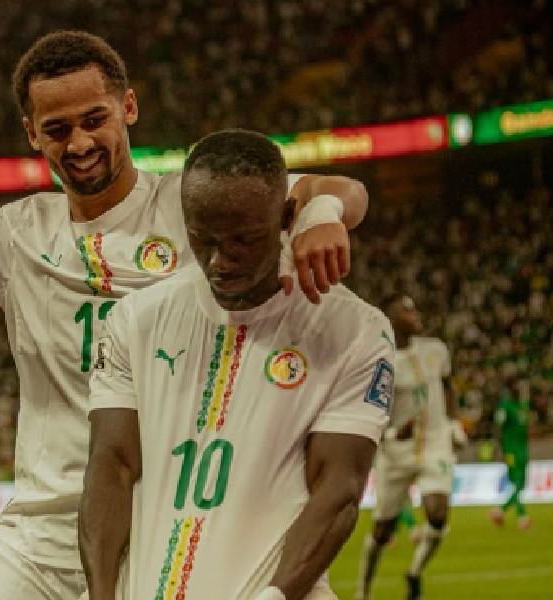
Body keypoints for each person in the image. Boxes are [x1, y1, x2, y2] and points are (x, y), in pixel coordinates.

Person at [0, 31, 370, 600]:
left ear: (129, 107)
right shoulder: (12, 233)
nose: (79, 143)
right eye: (57, 129)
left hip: (178, 523)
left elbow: (342, 188)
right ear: (31, 133)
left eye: (95, 120)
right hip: (44, 539)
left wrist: (320, 212)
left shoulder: (197, 204)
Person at [79, 129, 393, 600]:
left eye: (244, 239)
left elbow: (338, 490)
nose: (220, 261)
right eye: (202, 239)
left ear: (286, 216)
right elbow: (112, 465)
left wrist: (274, 597)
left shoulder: (352, 331)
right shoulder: (135, 319)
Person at [355, 295, 465, 600]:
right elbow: (369, 414)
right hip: (396, 453)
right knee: (382, 530)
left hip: (435, 444)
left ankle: (414, 573)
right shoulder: (379, 363)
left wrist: (454, 423)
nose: (415, 314)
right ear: (389, 319)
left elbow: (447, 386)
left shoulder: (435, 350)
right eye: (406, 311)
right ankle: (363, 591)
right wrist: (392, 434)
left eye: (415, 308)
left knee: (438, 514)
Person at [488, 379, 531, 529]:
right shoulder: (504, 406)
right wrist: (497, 447)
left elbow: (525, 427)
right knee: (517, 482)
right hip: (511, 450)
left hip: (523, 449)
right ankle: (518, 516)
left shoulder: (523, 405)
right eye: (515, 387)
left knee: (520, 484)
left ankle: (505, 513)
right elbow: (497, 426)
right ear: (510, 389)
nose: (518, 389)